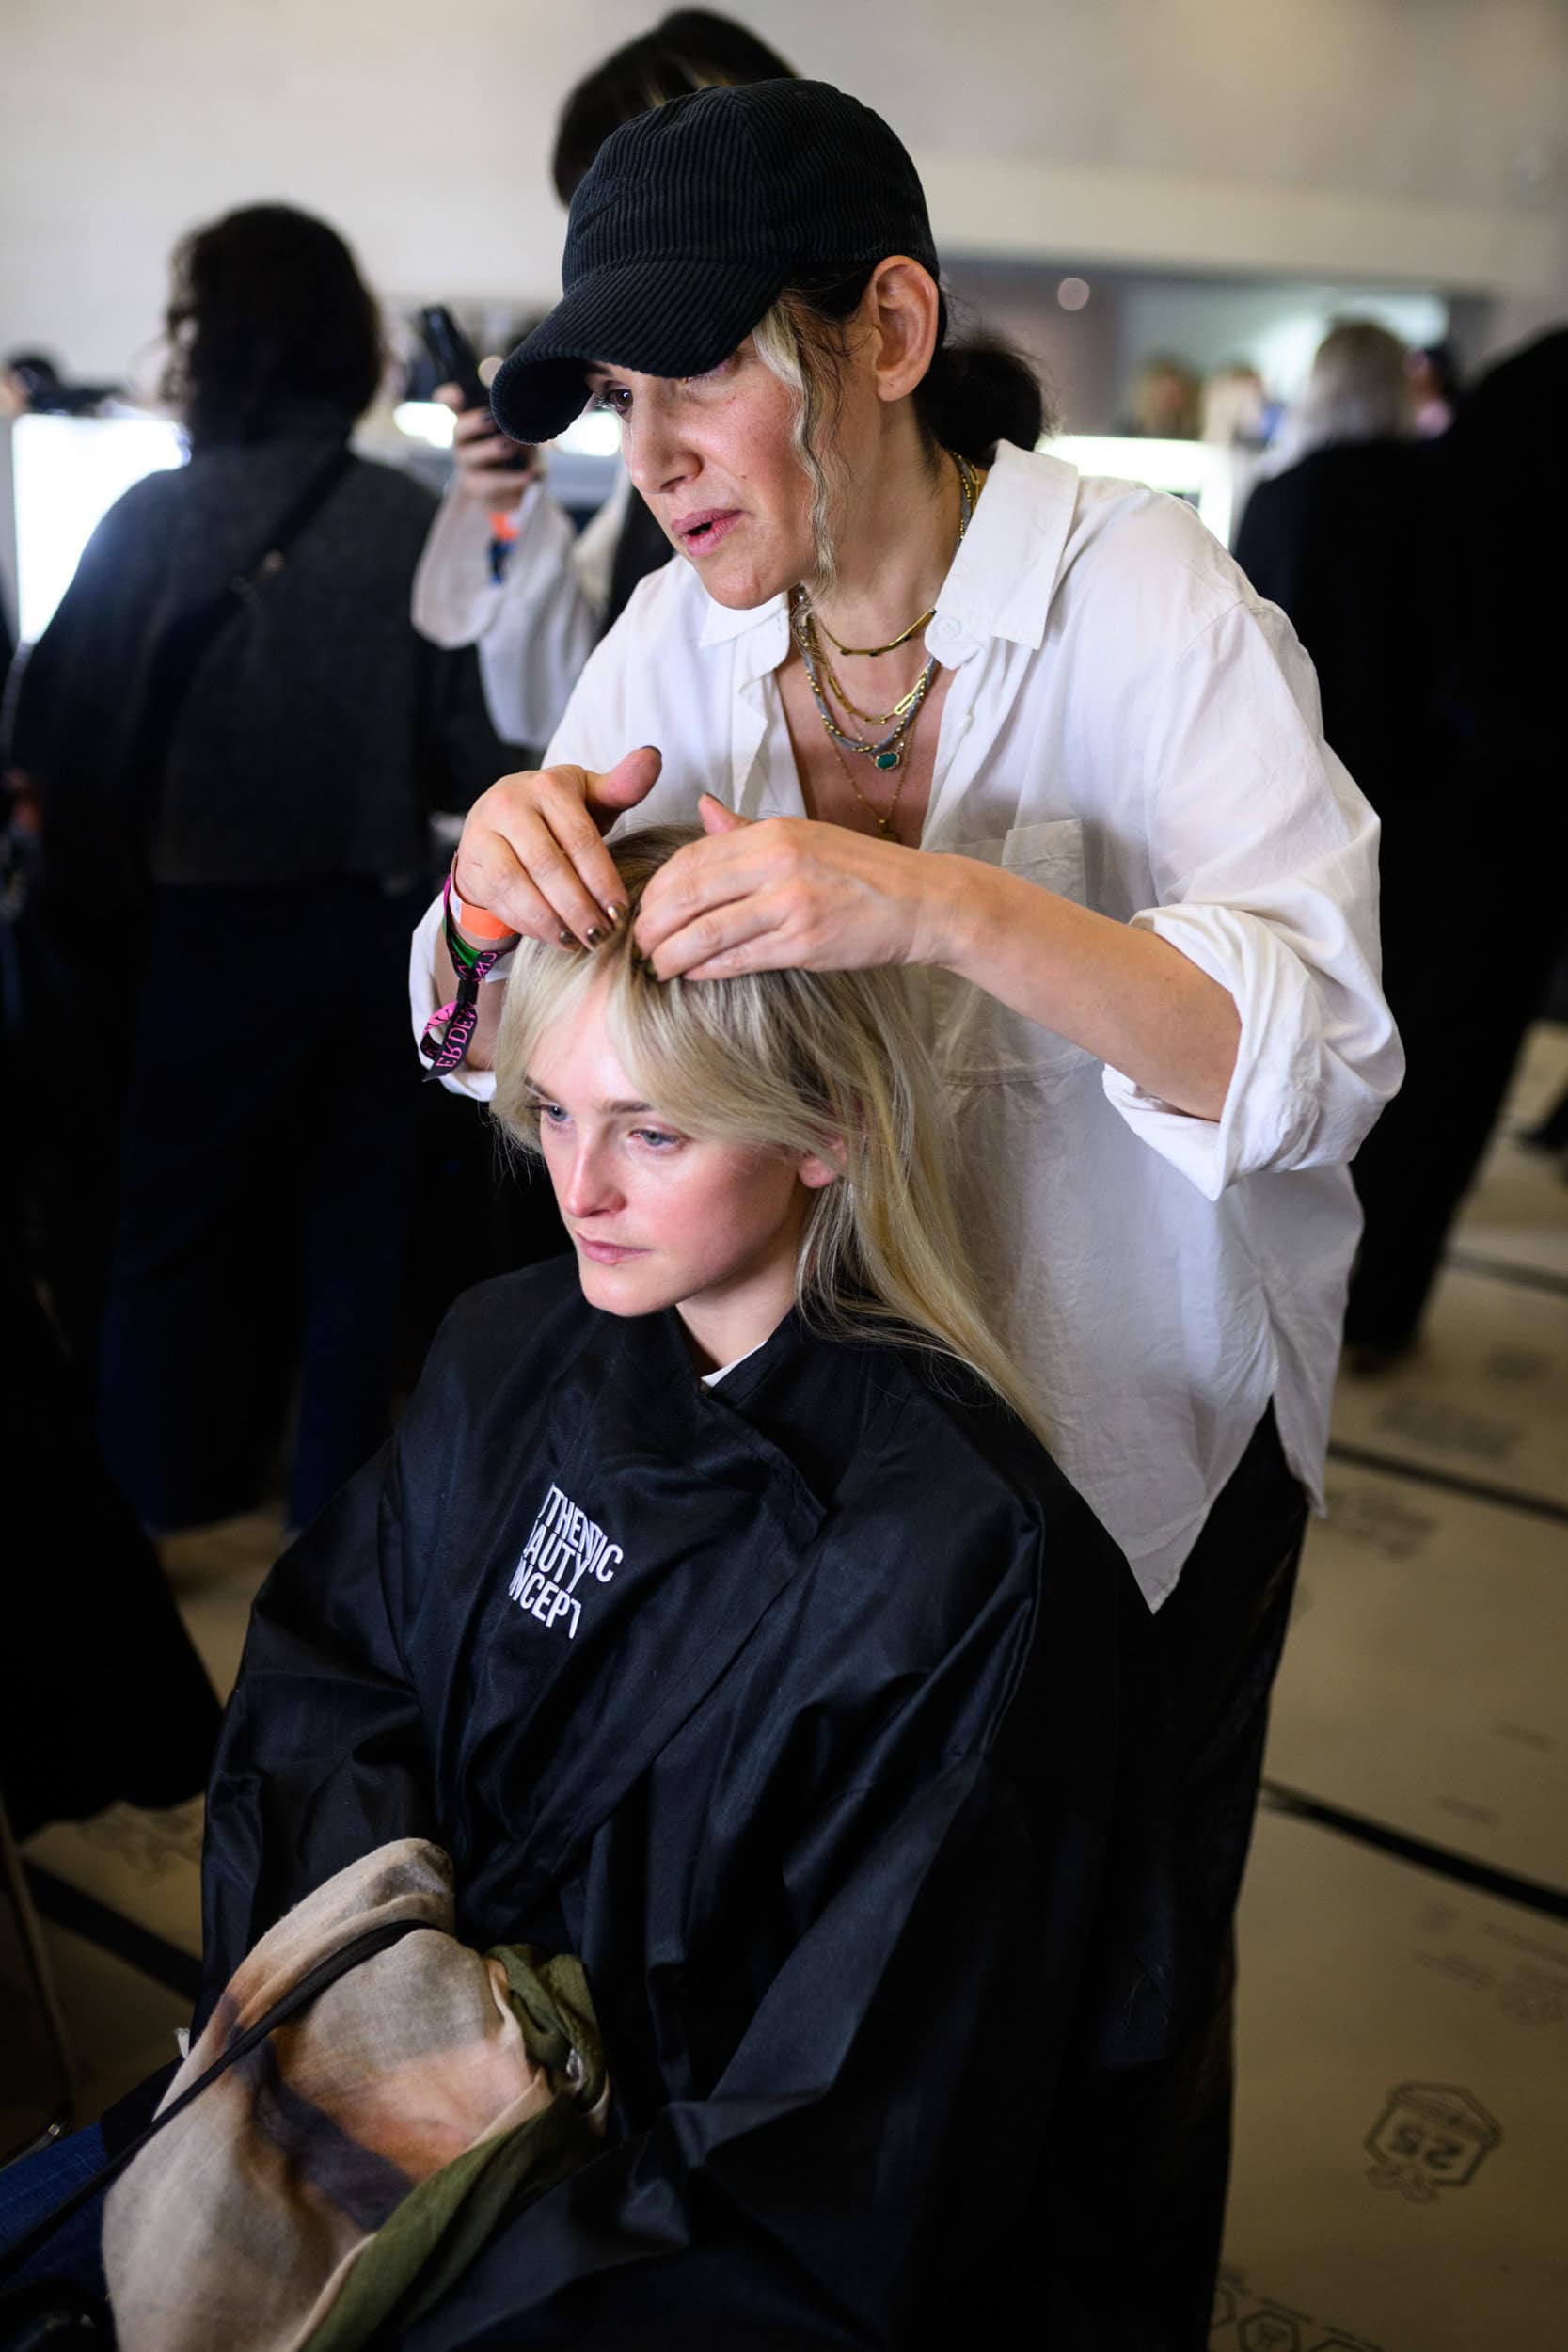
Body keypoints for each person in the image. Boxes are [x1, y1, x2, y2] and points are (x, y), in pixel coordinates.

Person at [409, 80, 1401, 2344]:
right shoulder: (674, 642)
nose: (647, 454)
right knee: (852, 1999)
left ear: (884, 327)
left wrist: (941, 905)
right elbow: (491, 1029)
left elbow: (1323, 1054)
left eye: (699, 379)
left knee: (1112, 2005)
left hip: (1134, 1450)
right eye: (618, 399)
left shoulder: (1150, 604)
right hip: (836, 1471)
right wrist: (486, 904)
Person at [0, 825, 1133, 2350]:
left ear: (826, 1130)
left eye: (654, 1135)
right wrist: (387, 2014)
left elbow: (850, 2127)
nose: (579, 1189)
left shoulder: (962, 1561)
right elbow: (332, 1677)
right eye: (551, 1114)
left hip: (638, 2232)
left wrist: (515, 2166)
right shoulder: (505, 1343)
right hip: (359, 2053)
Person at [6, 203, 514, 1530]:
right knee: (357, 1251)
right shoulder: (413, 522)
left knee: (165, 1242)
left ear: (208, 345)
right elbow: (470, 753)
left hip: (195, 940)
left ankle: (150, 1521)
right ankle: (327, 1549)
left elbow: (48, 731)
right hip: (369, 934)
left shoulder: (151, 518)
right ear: (346, 344)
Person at [410, 10, 797, 750]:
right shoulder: (658, 477)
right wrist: (510, 509)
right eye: (617, 395)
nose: (651, 460)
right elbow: (566, 703)